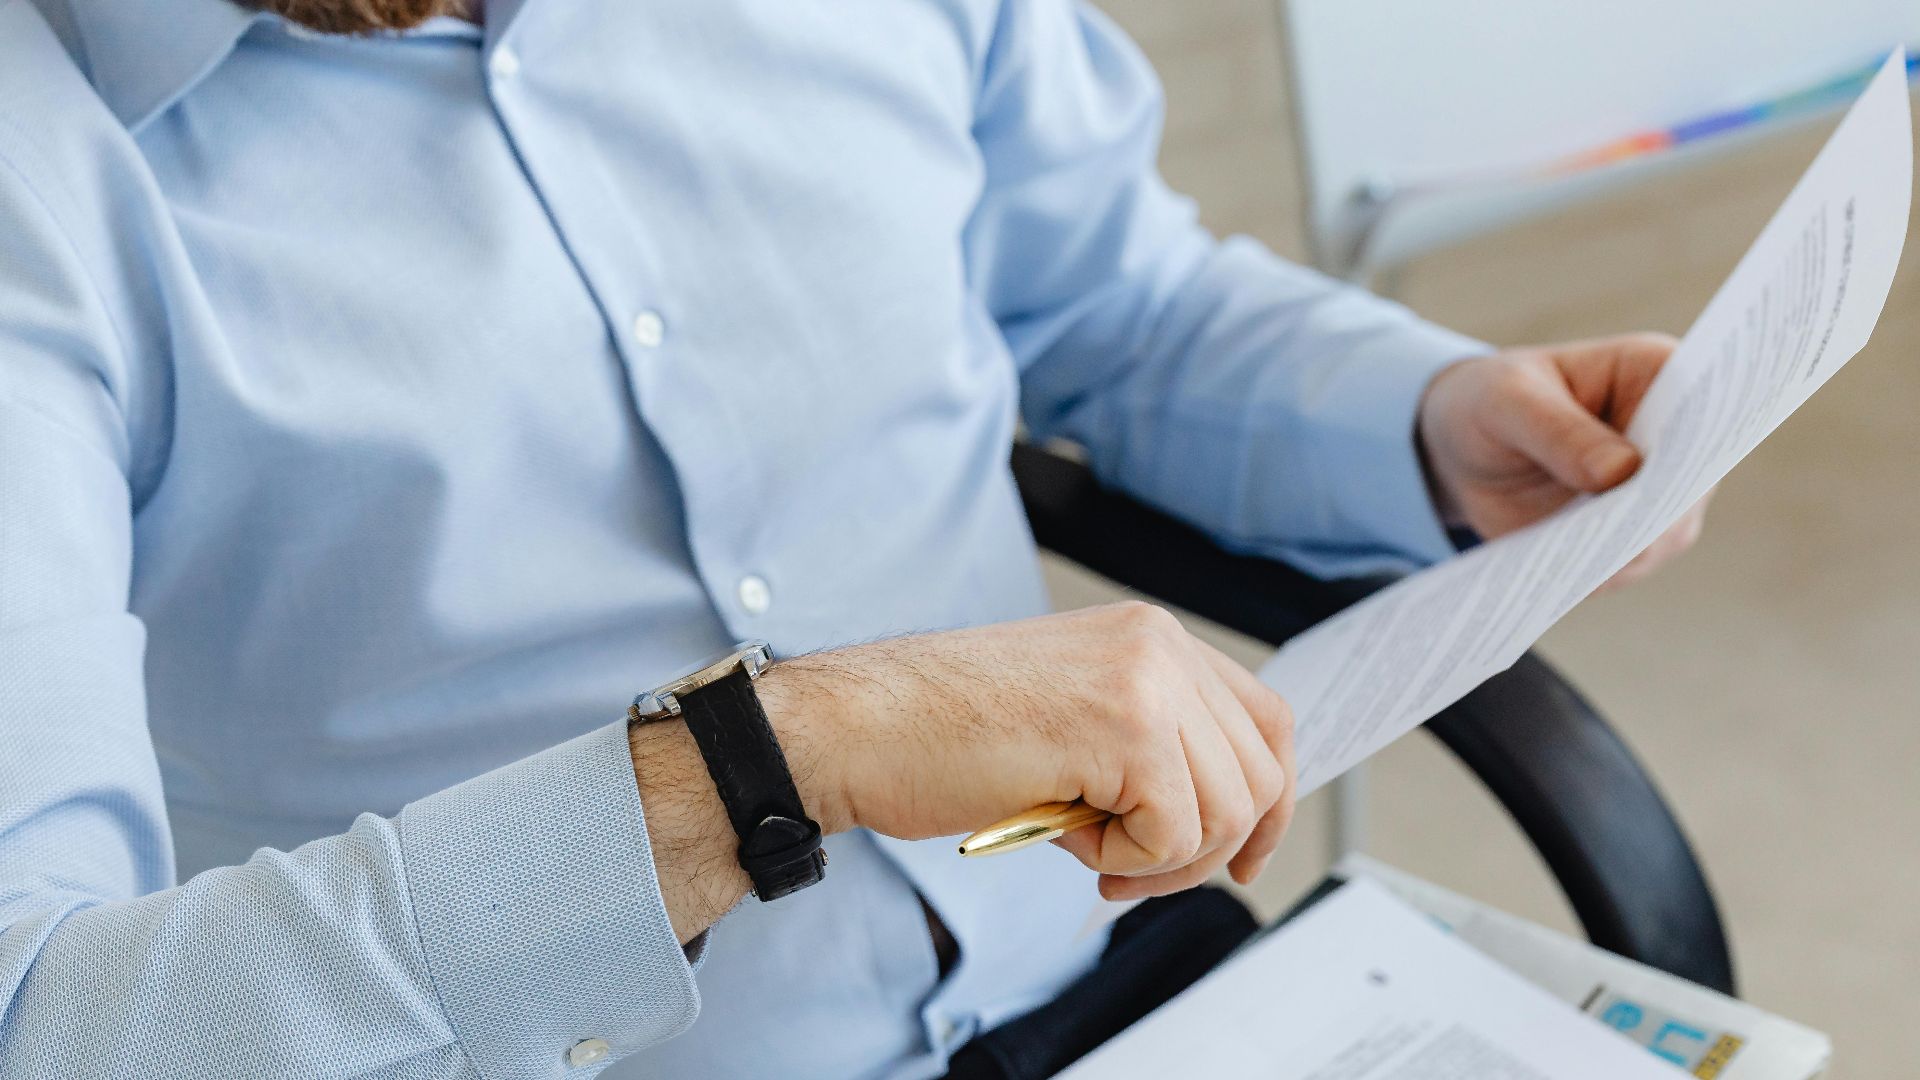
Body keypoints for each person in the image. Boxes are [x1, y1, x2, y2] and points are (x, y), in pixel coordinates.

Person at [0, 0, 1710, 1076]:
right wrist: (768, 758)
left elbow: (1117, 296)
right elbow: (47, 1024)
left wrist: (1426, 415)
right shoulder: (38, 179)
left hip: (1139, 984)